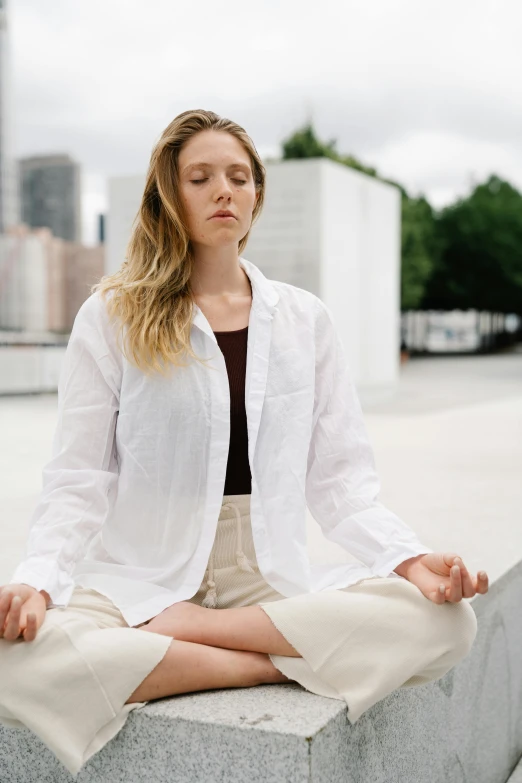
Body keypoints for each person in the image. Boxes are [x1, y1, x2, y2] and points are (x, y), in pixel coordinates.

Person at [0, 109, 488, 777]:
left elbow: (341, 482)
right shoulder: (111, 316)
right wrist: (37, 580)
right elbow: (80, 477)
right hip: (143, 573)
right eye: (199, 178)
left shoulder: (304, 319)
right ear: (170, 197)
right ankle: (273, 663)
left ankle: (192, 636)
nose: (223, 190)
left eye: (238, 176)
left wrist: (409, 559)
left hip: (264, 578)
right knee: (9, 657)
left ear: (257, 192)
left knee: (450, 624)